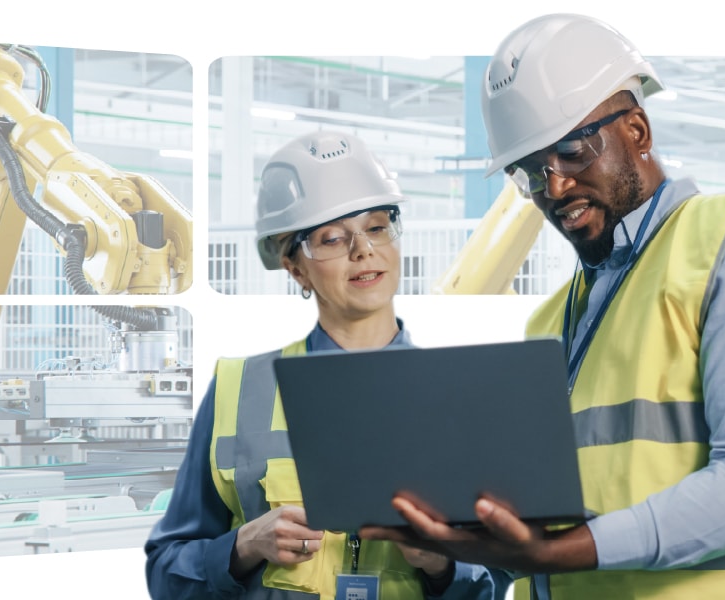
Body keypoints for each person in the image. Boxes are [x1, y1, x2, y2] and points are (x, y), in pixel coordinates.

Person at [361, 13, 725, 600]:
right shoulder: (551, 321)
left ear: (637, 130)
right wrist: (446, 556)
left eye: (572, 151)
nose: (554, 187)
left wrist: (566, 550)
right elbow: (543, 535)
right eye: (531, 172)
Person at [144, 131, 511, 600]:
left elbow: (503, 578)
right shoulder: (239, 390)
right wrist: (242, 546)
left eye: (377, 227)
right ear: (295, 268)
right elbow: (166, 574)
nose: (363, 250)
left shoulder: (460, 395)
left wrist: (442, 563)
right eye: (333, 238)